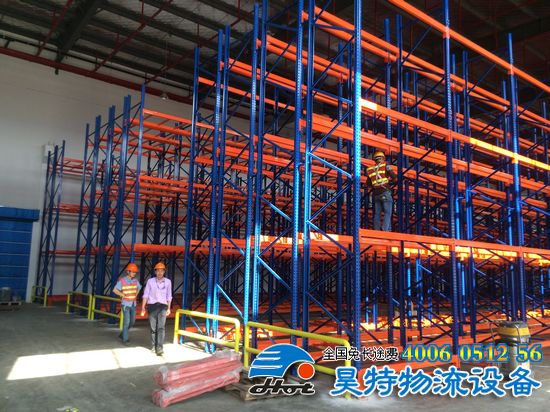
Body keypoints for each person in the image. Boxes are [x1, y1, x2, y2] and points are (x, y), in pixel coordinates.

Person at [141, 262, 172, 356]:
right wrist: (143, 307)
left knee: (161, 327)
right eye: (158, 271)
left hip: (163, 306)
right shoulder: (150, 281)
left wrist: (169, 308)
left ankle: (159, 348)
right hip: (152, 306)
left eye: (161, 271)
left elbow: (169, 296)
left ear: (164, 272)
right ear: (155, 272)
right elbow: (146, 295)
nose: (160, 273)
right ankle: (153, 346)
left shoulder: (168, 282)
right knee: (153, 328)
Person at [367, 151, 397, 231]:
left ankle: (377, 230)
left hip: (376, 194)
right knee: (387, 212)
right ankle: (385, 230)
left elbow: (368, 183)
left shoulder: (370, 169)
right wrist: (390, 181)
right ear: (383, 158)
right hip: (385, 192)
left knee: (377, 213)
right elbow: (394, 177)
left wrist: (376, 184)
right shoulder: (385, 166)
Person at [113, 262, 142, 345]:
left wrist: (135, 295)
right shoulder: (122, 281)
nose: (134, 273)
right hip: (126, 304)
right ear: (128, 272)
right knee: (126, 322)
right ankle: (125, 339)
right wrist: (122, 295)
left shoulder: (135, 281)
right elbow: (115, 290)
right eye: (132, 272)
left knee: (132, 322)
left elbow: (139, 288)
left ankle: (122, 334)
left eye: (135, 272)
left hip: (133, 304)